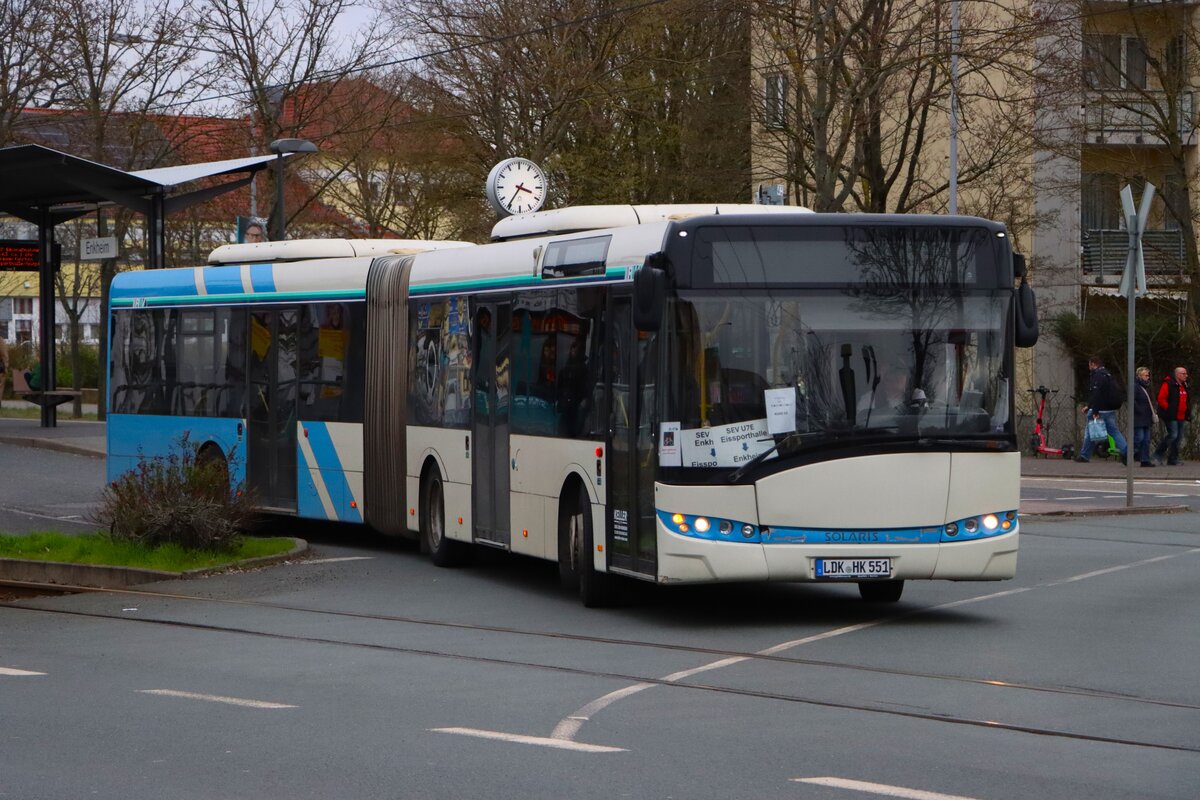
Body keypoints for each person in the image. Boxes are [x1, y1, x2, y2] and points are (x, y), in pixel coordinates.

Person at [1074, 356, 1127, 464]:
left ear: (1093, 364)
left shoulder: (1097, 375)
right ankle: (1126, 451)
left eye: (1089, 365)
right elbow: (1104, 393)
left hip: (1100, 409)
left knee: (1090, 432)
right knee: (1114, 432)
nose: (1089, 367)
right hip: (1109, 410)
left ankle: (1084, 456)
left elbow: (1096, 394)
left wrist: (1094, 410)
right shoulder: (1107, 374)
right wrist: (1089, 406)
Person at [1152, 366, 1190, 466]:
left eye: (1186, 373)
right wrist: (1168, 409)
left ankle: (1173, 459)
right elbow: (1161, 398)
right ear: (1177, 374)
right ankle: (1157, 455)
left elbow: (1186, 400)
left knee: (1178, 438)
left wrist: (1187, 412)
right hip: (1171, 415)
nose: (1186, 375)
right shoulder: (1168, 384)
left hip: (1181, 416)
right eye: (1183, 373)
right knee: (1173, 435)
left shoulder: (1184, 385)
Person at [1133, 366, 1157, 467]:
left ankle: (1145, 459)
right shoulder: (1135, 387)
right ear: (1139, 376)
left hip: (1146, 417)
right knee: (1139, 438)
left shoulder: (1146, 387)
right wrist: (1139, 410)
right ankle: (1128, 453)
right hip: (1139, 417)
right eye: (1145, 375)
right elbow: (1132, 400)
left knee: (1146, 440)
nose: (1148, 377)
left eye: (1148, 375)